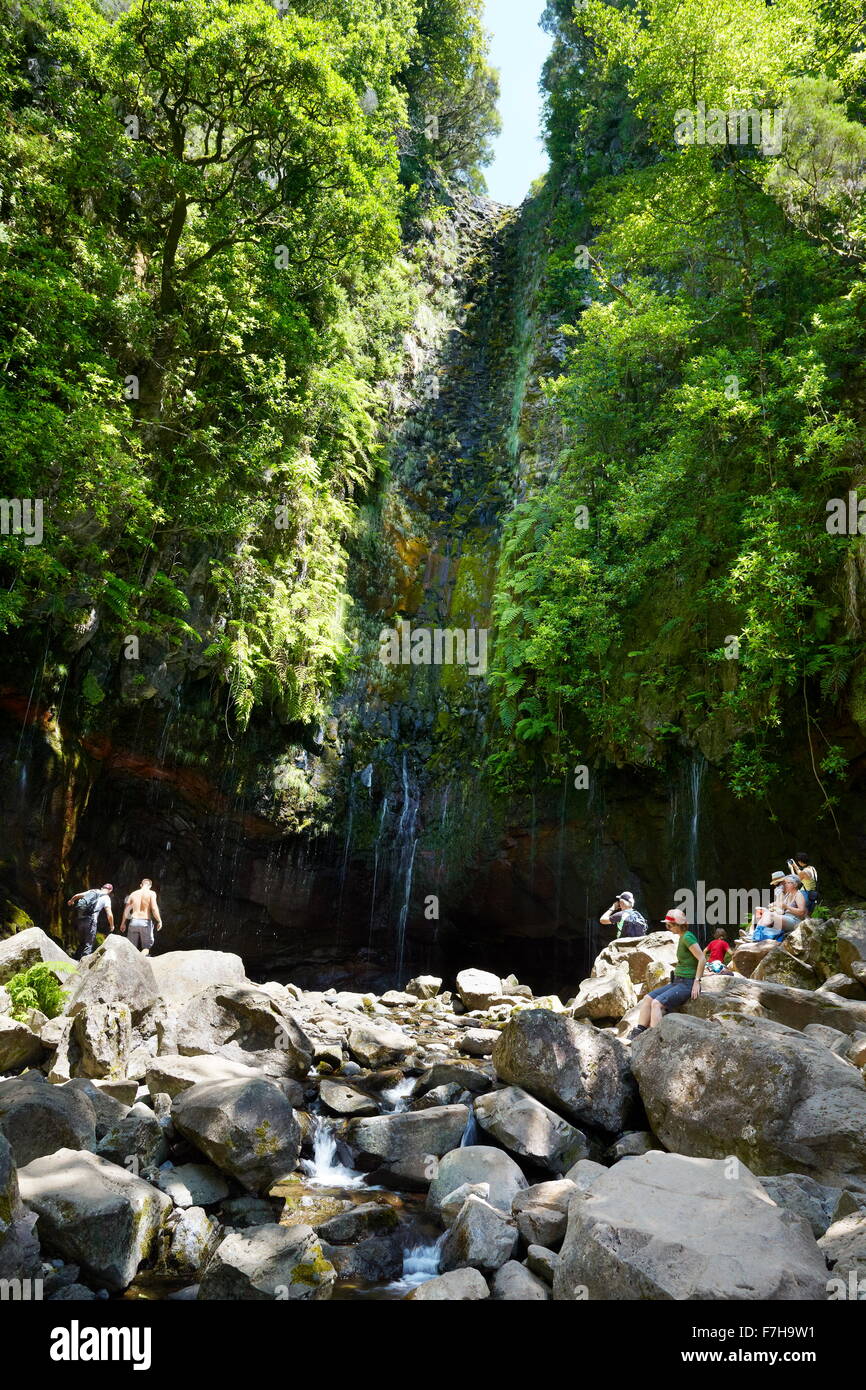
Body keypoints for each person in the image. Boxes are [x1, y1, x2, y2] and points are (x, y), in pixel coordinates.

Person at [628, 908, 705, 1038]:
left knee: (656, 1004)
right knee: (648, 998)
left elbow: (702, 958)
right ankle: (639, 1031)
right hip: (677, 981)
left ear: (678, 925)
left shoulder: (688, 937)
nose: (668, 928)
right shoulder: (682, 937)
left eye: (669, 925)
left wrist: (697, 981)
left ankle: (654, 1039)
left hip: (687, 983)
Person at [67, 883, 114, 959]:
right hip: (91, 922)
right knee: (88, 944)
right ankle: (83, 966)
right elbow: (109, 914)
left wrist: (71, 901)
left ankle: (74, 961)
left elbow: (76, 896)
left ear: (102, 888)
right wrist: (112, 925)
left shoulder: (93, 891)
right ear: (110, 890)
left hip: (80, 920)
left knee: (82, 943)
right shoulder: (106, 898)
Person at [120, 878, 163, 955]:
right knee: (146, 947)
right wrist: (159, 920)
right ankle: (141, 959)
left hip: (133, 922)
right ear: (150, 886)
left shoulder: (132, 894)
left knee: (131, 948)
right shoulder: (151, 893)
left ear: (141, 885)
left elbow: (126, 910)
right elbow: (154, 908)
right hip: (145, 922)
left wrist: (123, 923)